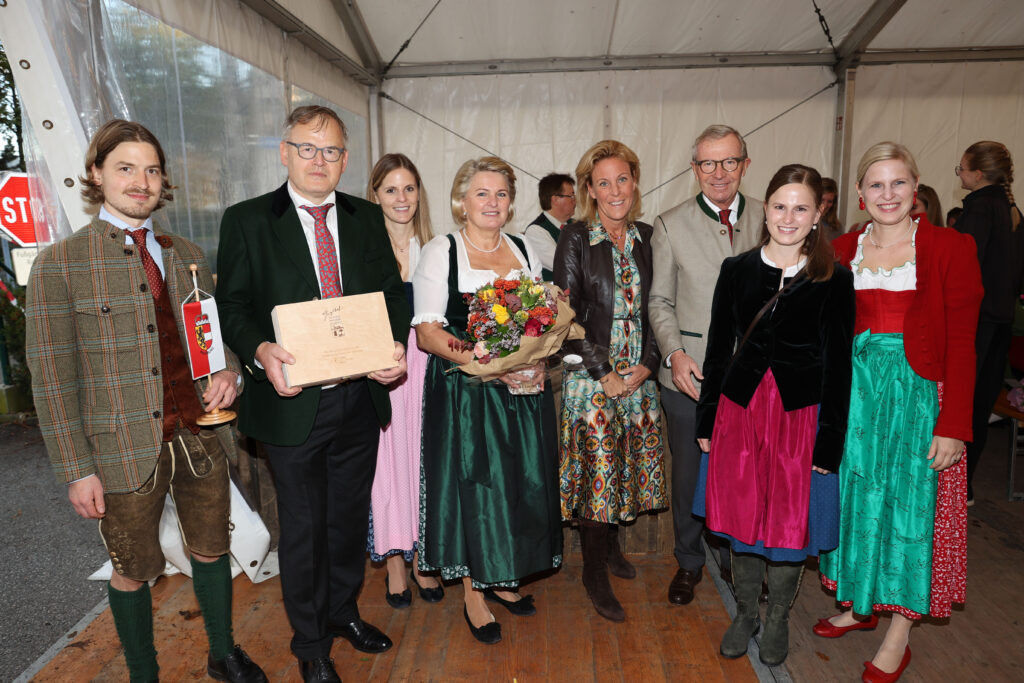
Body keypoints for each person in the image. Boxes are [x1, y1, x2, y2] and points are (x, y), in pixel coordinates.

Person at [25, 119, 266, 683]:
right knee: (132, 568)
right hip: (121, 447)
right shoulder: (60, 265)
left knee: (211, 549)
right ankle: (142, 672)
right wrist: (75, 470)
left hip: (201, 432)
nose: (141, 181)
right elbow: (52, 380)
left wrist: (230, 373)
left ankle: (222, 653)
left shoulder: (186, 254)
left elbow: (213, 337)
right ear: (96, 174)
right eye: (126, 168)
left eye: (151, 169)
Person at [216, 106, 409, 683]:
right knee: (303, 527)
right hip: (291, 398)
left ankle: (344, 612)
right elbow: (234, 306)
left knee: (347, 521)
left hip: (358, 398)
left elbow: (390, 295)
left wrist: (391, 345)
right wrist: (260, 351)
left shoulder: (365, 217)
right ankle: (310, 645)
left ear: (345, 160)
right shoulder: (247, 220)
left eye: (331, 151)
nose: (319, 161)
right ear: (284, 152)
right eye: (307, 148)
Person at [817, 142, 983, 683]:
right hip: (857, 395)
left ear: (915, 188)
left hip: (917, 396)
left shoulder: (948, 247)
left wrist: (955, 425)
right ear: (860, 195)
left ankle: (898, 631)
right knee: (860, 498)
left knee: (911, 510)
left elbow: (963, 342)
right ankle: (861, 603)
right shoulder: (841, 248)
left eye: (898, 183)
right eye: (875, 185)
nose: (887, 195)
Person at [694, 164, 854, 666]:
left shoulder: (834, 277)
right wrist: (706, 421)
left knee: (789, 520)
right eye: (781, 206)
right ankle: (745, 612)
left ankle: (779, 615)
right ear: (765, 208)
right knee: (743, 515)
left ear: (817, 213)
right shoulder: (736, 269)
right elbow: (719, 350)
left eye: (801, 207)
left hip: (798, 416)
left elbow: (838, 365)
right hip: (741, 414)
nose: (789, 217)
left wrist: (830, 443)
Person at [413, 156, 562, 645]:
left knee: (519, 480)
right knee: (476, 485)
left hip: (520, 392)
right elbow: (430, 334)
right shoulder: (442, 250)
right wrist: (481, 361)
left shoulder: (523, 249)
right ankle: (474, 591)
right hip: (466, 391)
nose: (492, 203)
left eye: (500, 194)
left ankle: (504, 575)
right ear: (461, 201)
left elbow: (539, 322)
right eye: (482, 193)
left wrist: (535, 358)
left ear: (511, 203)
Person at [648, 124, 763, 605]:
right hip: (690, 375)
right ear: (694, 169)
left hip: (757, 377)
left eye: (729, 162)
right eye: (708, 164)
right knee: (690, 474)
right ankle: (689, 562)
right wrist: (674, 354)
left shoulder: (771, 216)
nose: (719, 174)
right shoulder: (670, 222)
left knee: (748, 471)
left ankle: (742, 559)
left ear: (745, 164)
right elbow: (659, 301)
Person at [553, 140, 664, 622]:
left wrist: (650, 362)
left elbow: (659, 306)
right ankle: (593, 571)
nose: (615, 190)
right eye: (604, 182)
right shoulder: (576, 238)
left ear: (634, 182)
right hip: (592, 376)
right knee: (599, 472)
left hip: (639, 375)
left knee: (625, 463)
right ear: (590, 190)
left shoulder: (646, 235)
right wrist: (605, 371)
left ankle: (614, 550)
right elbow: (565, 319)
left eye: (623, 179)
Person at [365, 153, 444, 608]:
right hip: (382, 365)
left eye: (409, 189)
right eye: (391, 189)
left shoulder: (434, 246)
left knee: (421, 461)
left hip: (426, 364)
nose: (401, 198)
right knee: (384, 465)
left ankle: (422, 560)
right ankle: (394, 560)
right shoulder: (359, 248)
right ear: (375, 195)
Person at [953, 141, 1024, 504]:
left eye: (961, 169)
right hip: (1001, 323)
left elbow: (964, 269)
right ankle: (966, 485)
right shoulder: (1012, 211)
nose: (960, 174)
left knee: (961, 403)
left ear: (977, 174)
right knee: (979, 407)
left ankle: (956, 486)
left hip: (976, 323)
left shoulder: (980, 209)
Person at [519, 172, 577, 279]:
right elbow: (565, 265)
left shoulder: (575, 224)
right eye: (571, 196)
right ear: (555, 200)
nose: (575, 200)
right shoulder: (536, 231)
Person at [820, 176, 845, 241]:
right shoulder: (804, 222)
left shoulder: (836, 228)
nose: (825, 205)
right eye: (822, 200)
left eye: (829, 201)